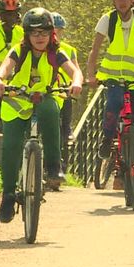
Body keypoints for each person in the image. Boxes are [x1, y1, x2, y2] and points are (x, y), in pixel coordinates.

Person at [0, 7, 83, 223]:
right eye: (34, 33)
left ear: (51, 33)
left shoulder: (57, 52)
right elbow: (5, 67)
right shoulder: (19, 50)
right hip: (17, 100)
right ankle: (8, 195)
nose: (39, 37)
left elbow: (73, 71)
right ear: (27, 35)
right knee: (11, 146)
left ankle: (53, 167)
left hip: (44, 97)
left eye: (44, 32)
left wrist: (76, 83)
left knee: (50, 111)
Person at [86, 0, 134, 195]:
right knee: (114, 103)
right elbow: (95, 50)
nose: (122, 2)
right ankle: (107, 138)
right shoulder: (108, 19)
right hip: (114, 76)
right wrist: (91, 75)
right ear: (113, 0)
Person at [52, 11, 81, 169]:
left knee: (65, 122)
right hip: (49, 88)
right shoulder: (44, 46)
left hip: (64, 88)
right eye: (53, 28)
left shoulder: (69, 50)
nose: (56, 32)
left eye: (59, 29)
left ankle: (68, 129)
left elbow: (76, 68)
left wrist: (75, 84)